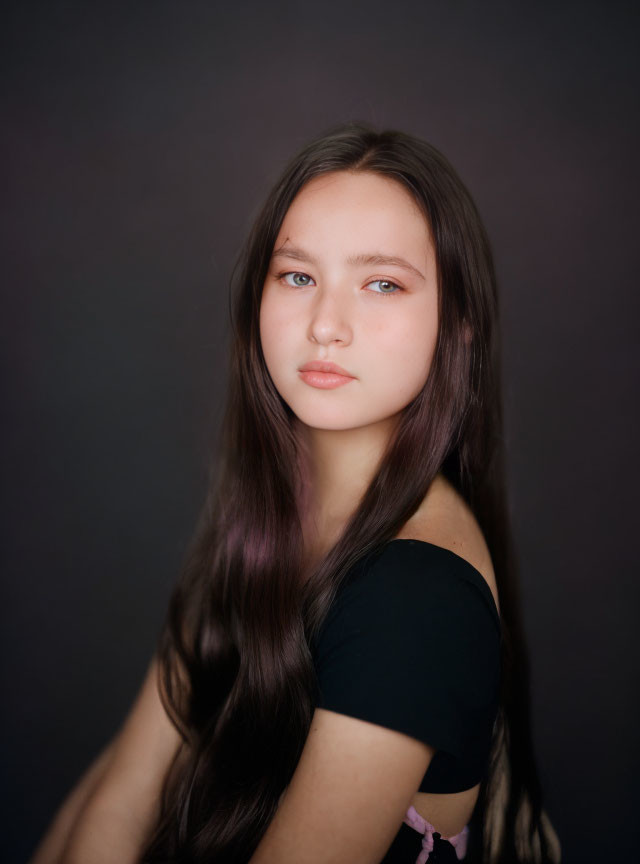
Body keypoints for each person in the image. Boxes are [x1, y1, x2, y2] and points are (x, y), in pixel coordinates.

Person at [29, 122, 562, 864]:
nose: (325, 327)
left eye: (382, 283)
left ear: (461, 326)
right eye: (298, 276)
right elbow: (119, 795)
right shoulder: (268, 521)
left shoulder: (415, 598)